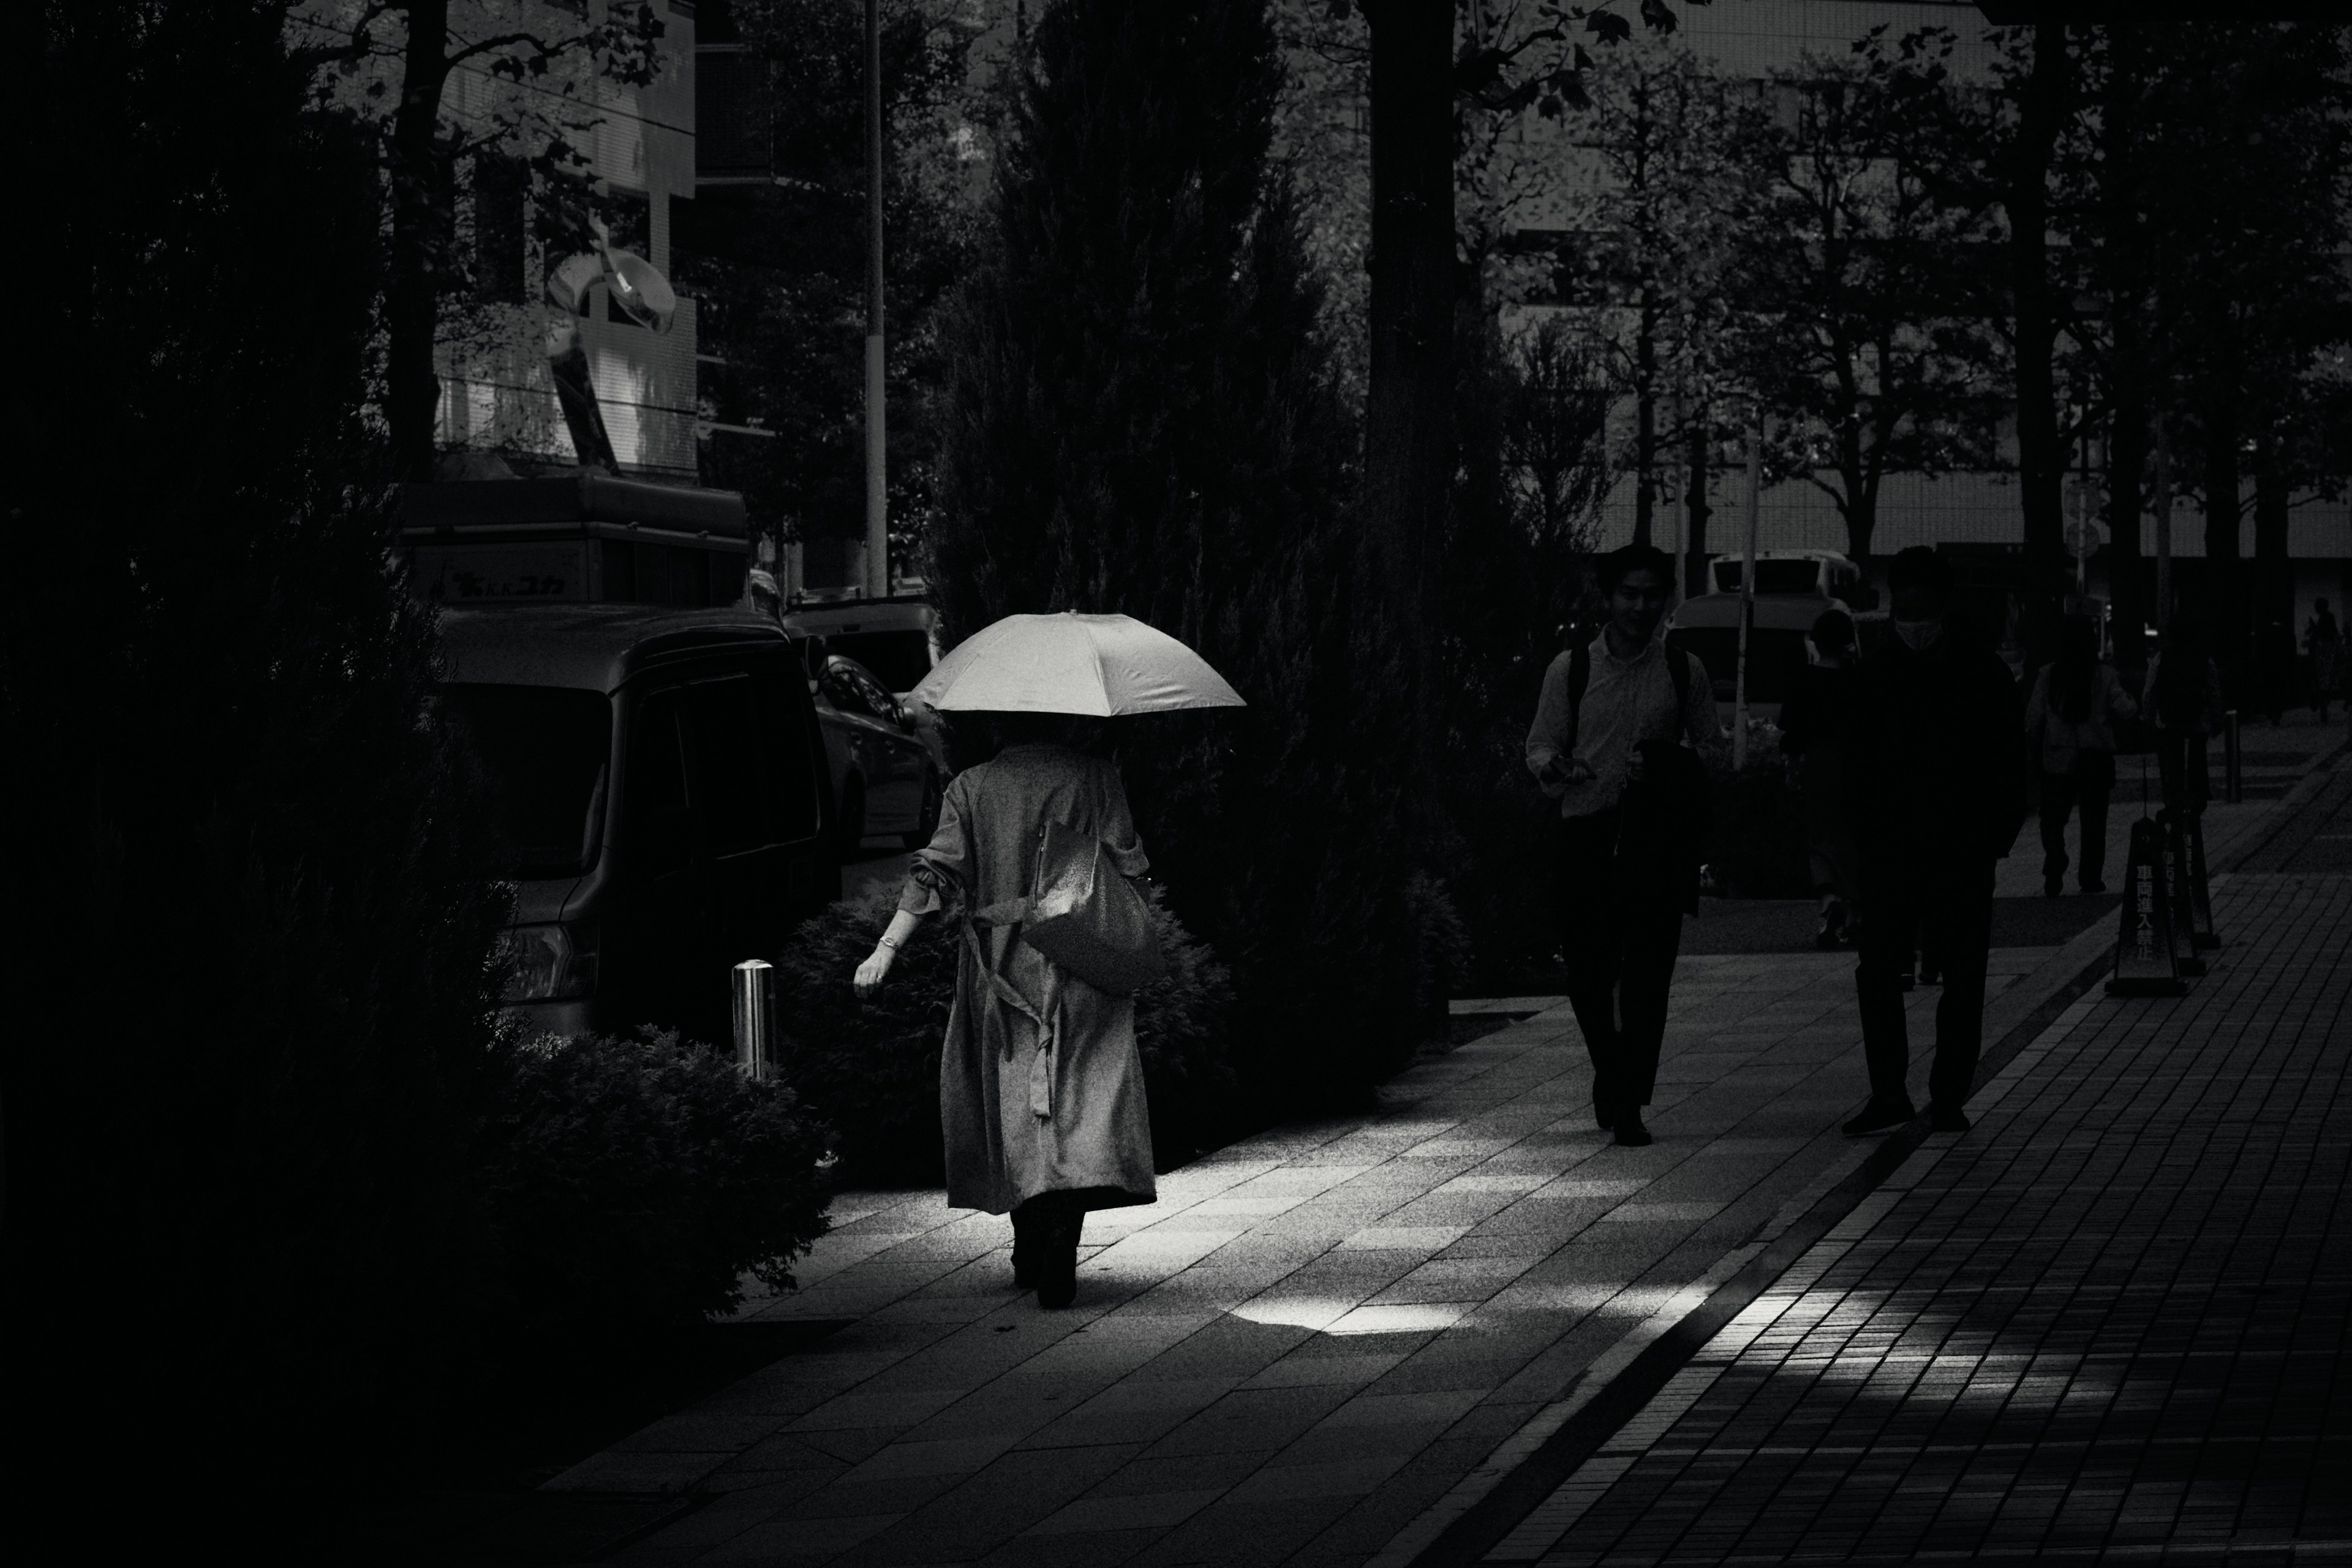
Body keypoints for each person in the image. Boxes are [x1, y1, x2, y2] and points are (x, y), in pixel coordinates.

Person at [853, 713, 1154, 1310]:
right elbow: (1132, 869)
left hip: (1004, 964)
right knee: (1079, 1099)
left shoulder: (970, 786)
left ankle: (1030, 1238)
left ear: (995, 723)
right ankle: (1065, 1220)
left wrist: (884, 949)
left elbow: (932, 874)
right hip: (1083, 959)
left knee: (1014, 1100)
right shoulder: (1097, 777)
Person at [1526, 541, 1725, 1147]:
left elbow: (1711, 750)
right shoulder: (1573, 669)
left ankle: (1630, 1097)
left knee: (1647, 978)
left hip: (1655, 844)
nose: (1641, 607)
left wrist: (1668, 765)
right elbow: (1540, 744)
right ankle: (1611, 1071)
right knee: (1588, 974)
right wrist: (1557, 768)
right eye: (1628, 594)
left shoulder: (1682, 669)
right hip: (1586, 835)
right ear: (1608, 598)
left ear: (1668, 599)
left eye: (1652, 595)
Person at [1844, 547, 2029, 1138]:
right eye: (1906, 608)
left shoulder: (1977, 674)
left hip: (1954, 848)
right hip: (1901, 850)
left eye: (1922, 609)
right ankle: (1903, 1093)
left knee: (1952, 973)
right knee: (1890, 972)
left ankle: (1937, 1093)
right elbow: (1855, 768)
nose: (1913, 620)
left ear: (1942, 607)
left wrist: (1994, 838)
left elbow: (2009, 766)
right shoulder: (1879, 675)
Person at [2026, 613, 2138, 897]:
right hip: (2095, 756)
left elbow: (2034, 717)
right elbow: (2125, 709)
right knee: (2094, 821)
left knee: (2052, 816)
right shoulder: (2104, 675)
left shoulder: (2049, 674)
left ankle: (2055, 857)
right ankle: (2090, 878)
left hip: (2057, 755)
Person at [1779, 607, 1864, 949]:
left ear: (1817, 642)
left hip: (1818, 766)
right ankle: (1857, 913)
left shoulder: (1804, 680)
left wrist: (1792, 767)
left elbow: (1791, 733)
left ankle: (1828, 900)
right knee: (1855, 839)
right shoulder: (1860, 681)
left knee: (1819, 839)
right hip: (1857, 768)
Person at [2144, 616, 2225, 818]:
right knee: (2197, 758)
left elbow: (2150, 689)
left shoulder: (2162, 656)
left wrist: (2148, 716)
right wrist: (2217, 718)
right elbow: (2213, 690)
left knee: (2172, 760)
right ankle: (2198, 796)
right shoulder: (2204, 657)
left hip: (2168, 717)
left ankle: (2173, 799)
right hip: (2197, 717)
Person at [2308, 598, 2344, 723]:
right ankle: (2323, 700)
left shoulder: (2324, 619)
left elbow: (2324, 634)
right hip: (2328, 653)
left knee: (2321, 678)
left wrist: (2314, 629)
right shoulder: (2329, 618)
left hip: (2324, 652)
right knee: (2326, 679)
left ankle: (2320, 699)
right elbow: (2333, 633)